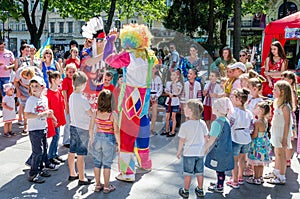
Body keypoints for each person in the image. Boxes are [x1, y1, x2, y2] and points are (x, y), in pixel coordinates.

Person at [103, 24, 158, 181]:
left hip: (131, 97)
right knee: (143, 127)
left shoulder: (129, 56)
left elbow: (108, 59)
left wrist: (111, 40)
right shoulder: (149, 55)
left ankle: (127, 172)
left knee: (127, 133)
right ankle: (145, 163)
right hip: (144, 96)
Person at [25, 76, 56, 183]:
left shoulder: (44, 99)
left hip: (43, 127)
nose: (34, 88)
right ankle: (33, 173)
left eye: (37, 86)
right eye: (32, 86)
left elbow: (47, 111)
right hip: (34, 130)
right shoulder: (31, 100)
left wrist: (53, 118)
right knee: (37, 152)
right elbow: (27, 115)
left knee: (44, 150)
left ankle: (41, 169)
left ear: (42, 87)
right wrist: (42, 114)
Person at [89, 89, 120, 193]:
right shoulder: (113, 115)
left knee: (97, 163)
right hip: (109, 139)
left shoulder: (95, 113)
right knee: (107, 164)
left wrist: (91, 140)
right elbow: (116, 131)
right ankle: (107, 186)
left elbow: (91, 128)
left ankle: (97, 185)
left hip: (98, 138)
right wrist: (119, 144)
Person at [176, 99, 208, 198]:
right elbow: (206, 137)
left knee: (187, 173)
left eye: (185, 108)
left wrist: (179, 151)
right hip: (200, 152)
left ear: (190, 111)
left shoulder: (185, 125)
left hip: (189, 153)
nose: (183, 109)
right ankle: (200, 189)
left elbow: (182, 140)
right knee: (200, 172)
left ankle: (186, 191)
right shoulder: (202, 123)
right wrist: (205, 148)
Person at [265, 80, 294, 185]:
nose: (273, 91)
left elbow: (287, 123)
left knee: (281, 155)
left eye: (275, 89)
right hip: (276, 131)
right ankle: (276, 172)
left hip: (282, 133)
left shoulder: (285, 107)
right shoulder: (277, 103)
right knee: (277, 153)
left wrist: (284, 138)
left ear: (282, 92)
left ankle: (282, 176)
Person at [204, 97, 234, 193]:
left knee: (219, 168)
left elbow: (212, 139)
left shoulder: (217, 123)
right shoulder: (226, 120)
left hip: (218, 149)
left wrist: (204, 148)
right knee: (221, 168)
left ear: (217, 109)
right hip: (226, 148)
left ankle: (220, 186)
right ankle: (219, 182)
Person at [68, 71, 93, 186]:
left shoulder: (72, 96)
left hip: (73, 126)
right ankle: (82, 177)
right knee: (81, 154)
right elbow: (90, 113)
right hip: (82, 128)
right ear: (82, 84)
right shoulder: (82, 99)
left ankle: (72, 173)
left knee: (72, 151)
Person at [227, 88, 253, 189]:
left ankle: (234, 180)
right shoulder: (248, 112)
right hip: (246, 138)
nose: (231, 98)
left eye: (232, 97)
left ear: (238, 99)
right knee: (242, 159)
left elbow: (230, 124)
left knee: (234, 160)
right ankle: (240, 177)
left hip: (236, 138)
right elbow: (251, 127)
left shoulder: (234, 112)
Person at [247, 101, 272, 185]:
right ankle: (260, 177)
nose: (254, 109)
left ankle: (256, 178)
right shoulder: (265, 120)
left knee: (256, 162)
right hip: (264, 144)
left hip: (258, 144)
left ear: (260, 110)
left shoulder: (257, 122)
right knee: (261, 162)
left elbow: (254, 135)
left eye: (256, 108)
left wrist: (249, 135)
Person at [47, 71, 66, 165]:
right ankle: (50, 155)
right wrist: (52, 119)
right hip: (53, 118)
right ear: (53, 80)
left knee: (57, 137)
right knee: (56, 137)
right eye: (59, 78)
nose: (61, 80)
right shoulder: (49, 93)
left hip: (58, 116)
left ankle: (54, 154)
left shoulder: (58, 90)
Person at [281, 71, 298, 167]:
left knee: (289, 138)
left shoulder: (292, 92)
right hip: (287, 115)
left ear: (290, 81)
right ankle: (285, 158)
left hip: (289, 116)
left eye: (284, 78)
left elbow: (293, 105)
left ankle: (287, 159)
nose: (282, 80)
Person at [162, 71, 183, 137]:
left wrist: (174, 83)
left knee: (173, 117)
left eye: (174, 75)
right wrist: (168, 93)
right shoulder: (168, 83)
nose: (172, 76)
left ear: (177, 76)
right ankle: (166, 130)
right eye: (171, 75)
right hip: (168, 101)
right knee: (167, 117)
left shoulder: (179, 84)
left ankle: (173, 131)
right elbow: (166, 90)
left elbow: (177, 92)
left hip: (175, 101)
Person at [62, 63, 77, 148]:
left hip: (75, 105)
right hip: (68, 104)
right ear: (66, 72)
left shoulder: (76, 80)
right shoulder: (66, 80)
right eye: (70, 72)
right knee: (67, 123)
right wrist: (66, 106)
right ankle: (66, 140)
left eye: (73, 71)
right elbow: (64, 93)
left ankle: (72, 139)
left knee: (74, 123)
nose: (71, 73)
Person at [150, 64, 163, 133]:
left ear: (157, 70)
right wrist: (149, 96)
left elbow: (160, 88)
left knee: (154, 114)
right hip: (148, 96)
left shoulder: (158, 78)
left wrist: (156, 96)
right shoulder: (147, 77)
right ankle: (145, 128)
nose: (152, 69)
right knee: (146, 113)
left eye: (154, 68)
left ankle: (152, 128)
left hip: (155, 96)